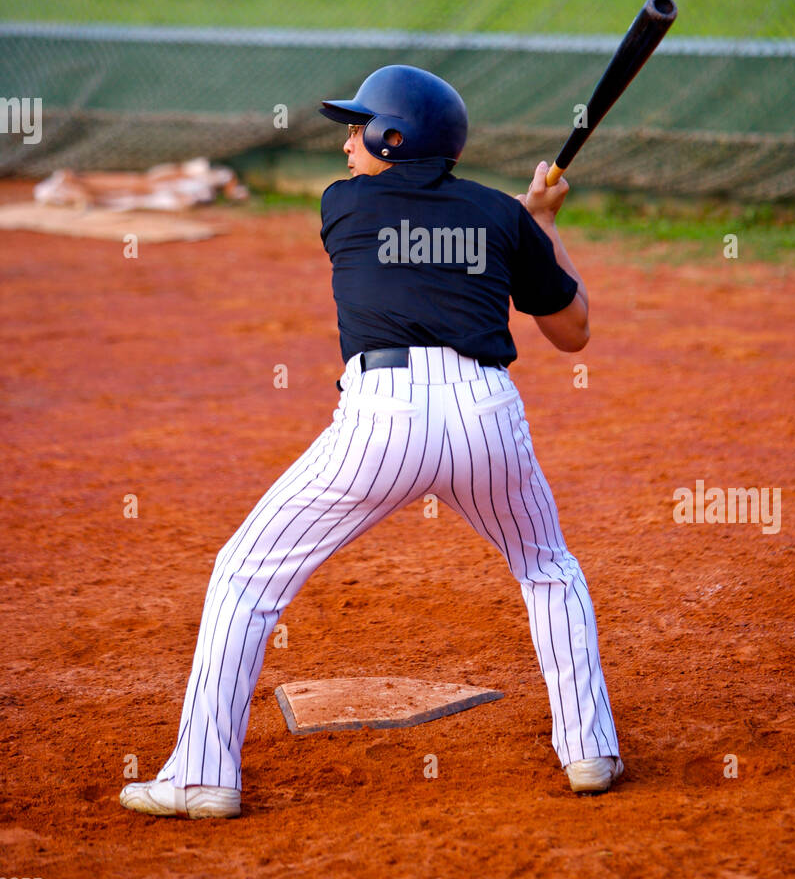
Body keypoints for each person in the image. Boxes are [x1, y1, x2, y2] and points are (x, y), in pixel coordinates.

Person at [119, 65, 622, 819]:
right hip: (490, 418)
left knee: (244, 576)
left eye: (359, 130)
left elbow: (426, 235)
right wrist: (538, 224)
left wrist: (514, 222)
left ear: (394, 138)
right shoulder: (498, 217)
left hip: (381, 423)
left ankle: (200, 775)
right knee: (547, 567)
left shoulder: (343, 206)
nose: (347, 145)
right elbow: (573, 331)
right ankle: (590, 751)